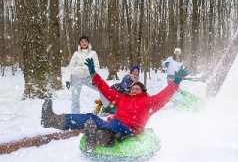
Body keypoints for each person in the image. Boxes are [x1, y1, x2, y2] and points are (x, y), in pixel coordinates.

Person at [41, 58, 190, 151]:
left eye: (137, 88)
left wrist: (176, 82)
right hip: (113, 123)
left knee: (113, 127)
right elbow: (106, 90)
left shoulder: (149, 102)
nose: (134, 89)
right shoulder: (122, 99)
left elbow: (164, 96)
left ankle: (94, 141)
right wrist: (94, 74)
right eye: (132, 88)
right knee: (89, 118)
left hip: (129, 128)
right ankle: (52, 119)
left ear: (143, 91)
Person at [65, 35, 109, 113]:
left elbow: (96, 66)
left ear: (88, 43)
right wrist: (67, 79)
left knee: (102, 88)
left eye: (85, 41)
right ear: (80, 43)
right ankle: (75, 115)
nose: (84, 43)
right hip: (76, 77)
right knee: (75, 98)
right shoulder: (76, 54)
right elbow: (71, 66)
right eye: (82, 41)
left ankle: (107, 107)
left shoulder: (93, 53)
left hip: (89, 77)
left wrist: (95, 78)